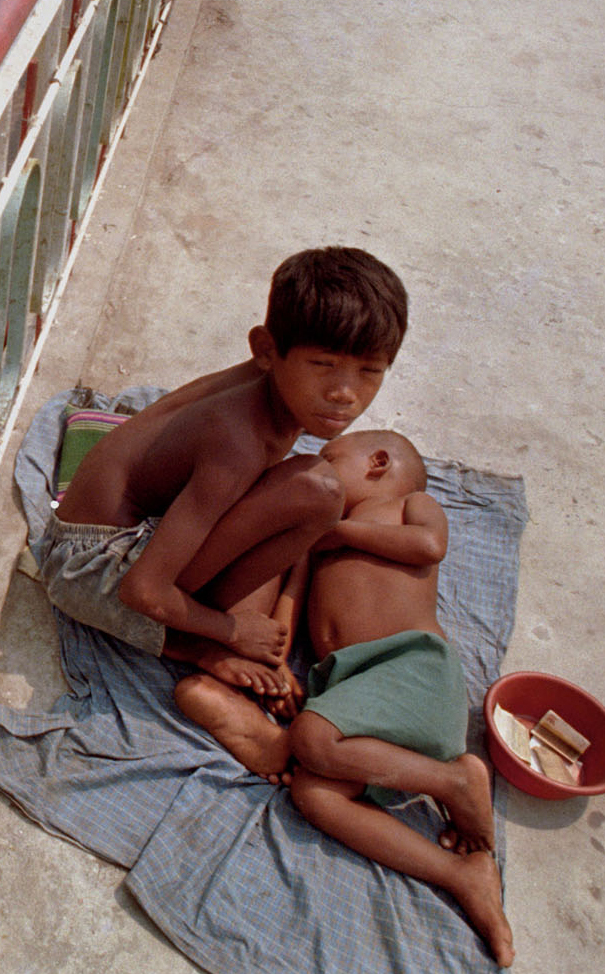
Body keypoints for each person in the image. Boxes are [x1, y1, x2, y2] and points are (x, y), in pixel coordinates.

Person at [172, 430, 514, 968]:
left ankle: (453, 780)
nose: (322, 475)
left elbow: (430, 546)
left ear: (378, 463)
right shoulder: (318, 534)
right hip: (353, 689)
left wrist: (343, 531)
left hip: (412, 669)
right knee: (312, 795)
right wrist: (278, 660)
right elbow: (293, 591)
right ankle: (458, 873)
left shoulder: (409, 505)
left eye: (331, 461)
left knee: (312, 738)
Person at [46, 246, 408, 698]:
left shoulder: (268, 389)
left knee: (300, 498)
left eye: (369, 371)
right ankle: (196, 646)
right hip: (92, 570)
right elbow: (142, 592)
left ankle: (206, 626)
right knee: (318, 492)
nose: (344, 393)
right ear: (266, 350)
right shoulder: (239, 440)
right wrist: (230, 630)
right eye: (324, 365)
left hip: (108, 537)